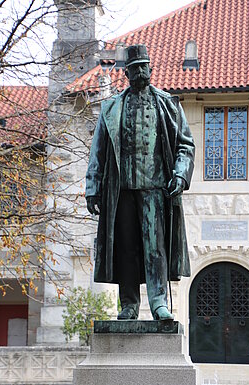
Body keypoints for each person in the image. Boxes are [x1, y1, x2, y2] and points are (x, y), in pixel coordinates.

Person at [86, 44, 195, 321]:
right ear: (126, 73)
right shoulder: (112, 108)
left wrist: (181, 174)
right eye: (134, 69)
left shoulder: (168, 105)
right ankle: (129, 305)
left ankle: (159, 303)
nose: (139, 72)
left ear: (151, 69)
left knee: (154, 247)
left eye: (143, 67)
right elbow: (98, 151)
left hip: (154, 188)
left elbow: (185, 145)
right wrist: (93, 187)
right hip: (121, 189)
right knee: (126, 247)